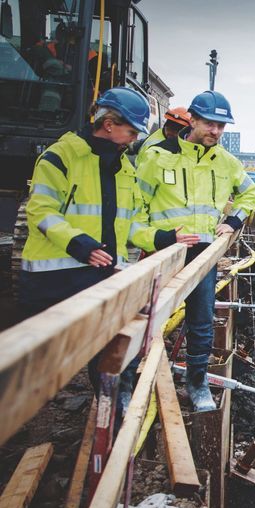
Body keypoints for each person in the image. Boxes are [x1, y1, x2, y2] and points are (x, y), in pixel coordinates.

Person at [20, 86, 198, 388]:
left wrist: (163, 238)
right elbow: (41, 211)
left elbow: (129, 224)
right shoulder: (60, 157)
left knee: (107, 358)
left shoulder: (123, 168)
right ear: (109, 124)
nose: (134, 139)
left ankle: (109, 408)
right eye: (131, 132)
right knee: (36, 374)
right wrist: (78, 243)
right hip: (54, 279)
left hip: (102, 276)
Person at [136, 90, 255, 411]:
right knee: (145, 320)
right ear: (192, 120)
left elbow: (250, 193)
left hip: (203, 254)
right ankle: (134, 384)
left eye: (221, 126)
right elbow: (135, 206)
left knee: (201, 322)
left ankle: (197, 382)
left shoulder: (226, 162)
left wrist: (233, 221)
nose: (215, 131)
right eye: (209, 124)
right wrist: (154, 239)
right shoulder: (158, 156)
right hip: (163, 252)